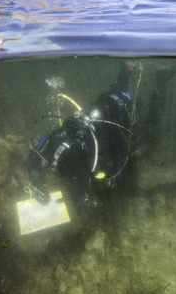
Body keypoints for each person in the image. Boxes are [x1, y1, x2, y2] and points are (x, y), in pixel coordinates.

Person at [27, 61, 138, 208]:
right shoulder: (57, 137)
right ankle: (127, 71)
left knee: (116, 102)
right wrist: (36, 183)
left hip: (111, 115)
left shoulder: (94, 143)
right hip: (101, 111)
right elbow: (33, 158)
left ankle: (128, 71)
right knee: (109, 99)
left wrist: (113, 179)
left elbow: (118, 151)